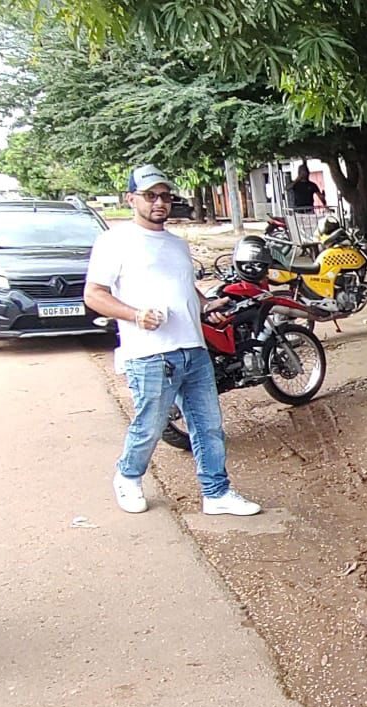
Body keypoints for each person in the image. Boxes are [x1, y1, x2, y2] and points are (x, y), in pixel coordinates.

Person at [85, 165, 262, 517]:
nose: (159, 203)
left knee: (208, 425)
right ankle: (128, 475)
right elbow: (93, 295)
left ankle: (216, 493)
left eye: (165, 196)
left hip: (193, 349)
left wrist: (205, 306)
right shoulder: (114, 242)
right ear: (131, 199)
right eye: (150, 196)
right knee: (150, 425)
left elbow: (185, 289)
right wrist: (136, 315)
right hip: (150, 355)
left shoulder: (177, 244)